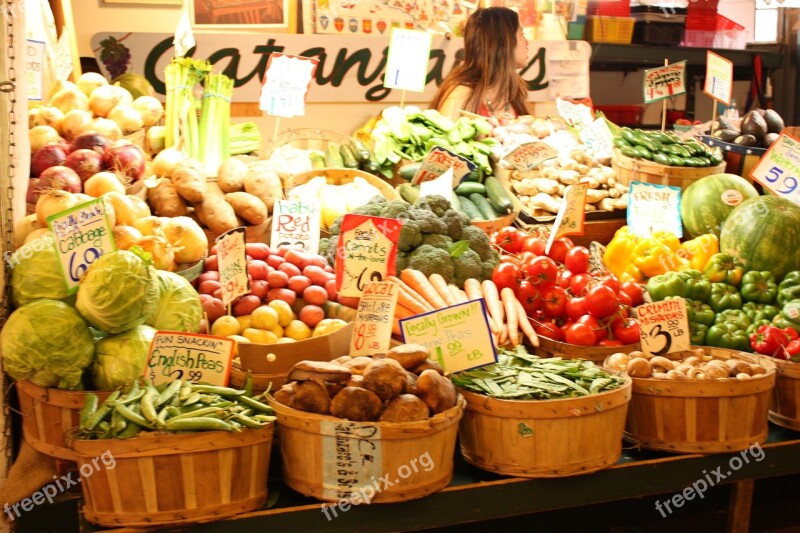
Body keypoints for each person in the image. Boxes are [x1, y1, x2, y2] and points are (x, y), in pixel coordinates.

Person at [430, 7, 531, 122]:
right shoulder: (460, 96)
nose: (526, 42)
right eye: (521, 34)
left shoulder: (513, 90)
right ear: (503, 42)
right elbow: (445, 137)